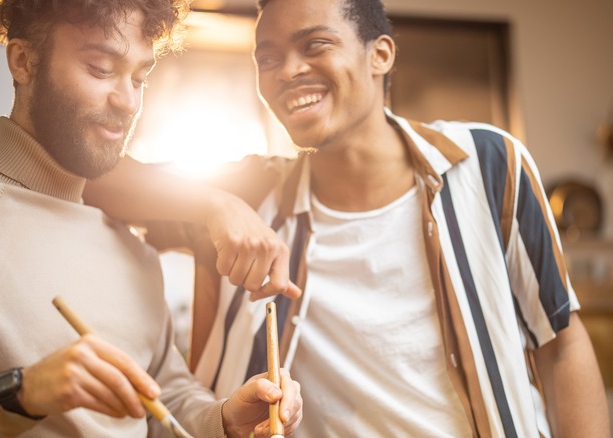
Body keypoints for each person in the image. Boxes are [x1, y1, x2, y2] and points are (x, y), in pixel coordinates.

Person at [85, 0, 611, 436]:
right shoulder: (251, 192)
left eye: (315, 45)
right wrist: (212, 204)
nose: (288, 71)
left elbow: (560, 344)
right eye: (267, 58)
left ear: (380, 54)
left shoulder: (490, 164)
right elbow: (93, 177)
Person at [0, 1, 304, 437]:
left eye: (140, 77)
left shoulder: (132, 246)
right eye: (101, 69)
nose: (128, 101)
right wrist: (21, 393)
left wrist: (223, 419)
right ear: (23, 62)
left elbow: (166, 400)